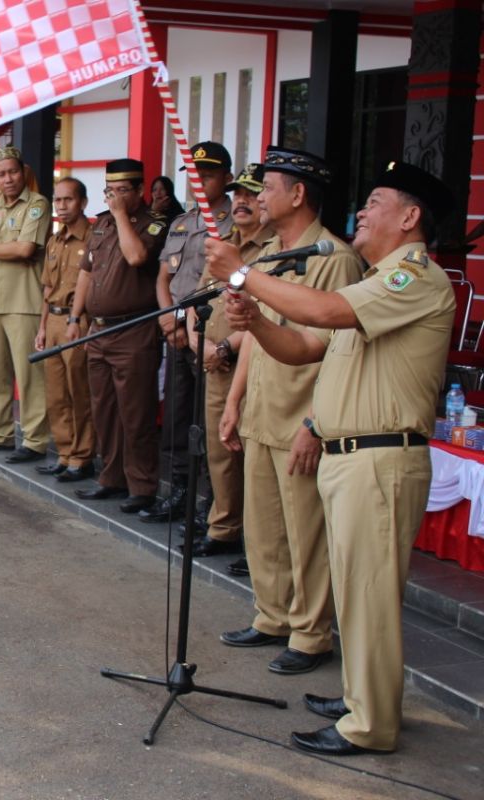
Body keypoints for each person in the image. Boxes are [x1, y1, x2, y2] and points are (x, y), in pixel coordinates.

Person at [206, 161, 455, 756]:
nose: (361, 211)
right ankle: (363, 700)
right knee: (354, 592)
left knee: (368, 595)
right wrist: (258, 323)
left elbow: (320, 314)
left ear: (411, 217)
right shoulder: (372, 284)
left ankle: (369, 726)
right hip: (352, 455)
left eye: (374, 202)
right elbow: (302, 345)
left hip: (380, 458)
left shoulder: (415, 277)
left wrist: (241, 274)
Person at [213, 146, 362, 676]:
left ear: (298, 194)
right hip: (261, 409)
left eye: (268, 187)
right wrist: (234, 401)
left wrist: (315, 423)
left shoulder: (334, 258)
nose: (257, 196)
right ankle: (271, 615)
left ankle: (310, 633)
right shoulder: (271, 252)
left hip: (301, 414)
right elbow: (254, 331)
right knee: (264, 528)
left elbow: (334, 351)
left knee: (306, 534)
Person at [67, 159, 169, 513]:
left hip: (134, 329)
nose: (115, 198)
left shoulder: (153, 223)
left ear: (139, 191)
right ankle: (111, 478)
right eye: (111, 191)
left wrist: (122, 214)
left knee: (135, 412)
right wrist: (76, 316)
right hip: (99, 329)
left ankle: (141, 485)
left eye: (123, 191)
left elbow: (136, 256)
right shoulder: (102, 224)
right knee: (104, 409)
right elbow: (87, 274)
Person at [186, 164, 275, 569]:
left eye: (252, 194)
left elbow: (270, 313)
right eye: (237, 194)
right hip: (215, 363)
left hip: (255, 361)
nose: (241, 201)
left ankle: (253, 541)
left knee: (253, 456)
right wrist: (196, 339)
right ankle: (224, 527)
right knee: (220, 450)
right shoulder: (224, 245)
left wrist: (222, 346)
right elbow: (198, 298)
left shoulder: (273, 250)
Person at [145, 142, 235, 525]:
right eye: (194, 177)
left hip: (210, 336)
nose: (199, 183)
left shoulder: (233, 224)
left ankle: (211, 501)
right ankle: (181, 489)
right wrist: (168, 320)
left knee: (210, 423)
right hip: (176, 332)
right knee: (179, 417)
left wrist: (190, 327)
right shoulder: (182, 222)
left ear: (227, 180)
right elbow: (164, 277)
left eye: (208, 176)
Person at [0, 146, 52, 462]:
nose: (8, 179)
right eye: (2, 174)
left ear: (23, 172)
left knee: (30, 377)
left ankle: (35, 440)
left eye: (13, 172)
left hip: (25, 302)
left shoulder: (37, 205)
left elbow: (26, 249)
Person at [33, 177, 96, 481]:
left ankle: (82, 456)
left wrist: (78, 321)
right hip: (54, 321)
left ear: (83, 202)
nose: (61, 206)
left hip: (78, 321)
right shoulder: (55, 240)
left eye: (68, 200)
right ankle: (64, 451)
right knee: (56, 394)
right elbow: (47, 287)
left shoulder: (93, 238)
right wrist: (42, 327)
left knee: (78, 391)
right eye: (57, 200)